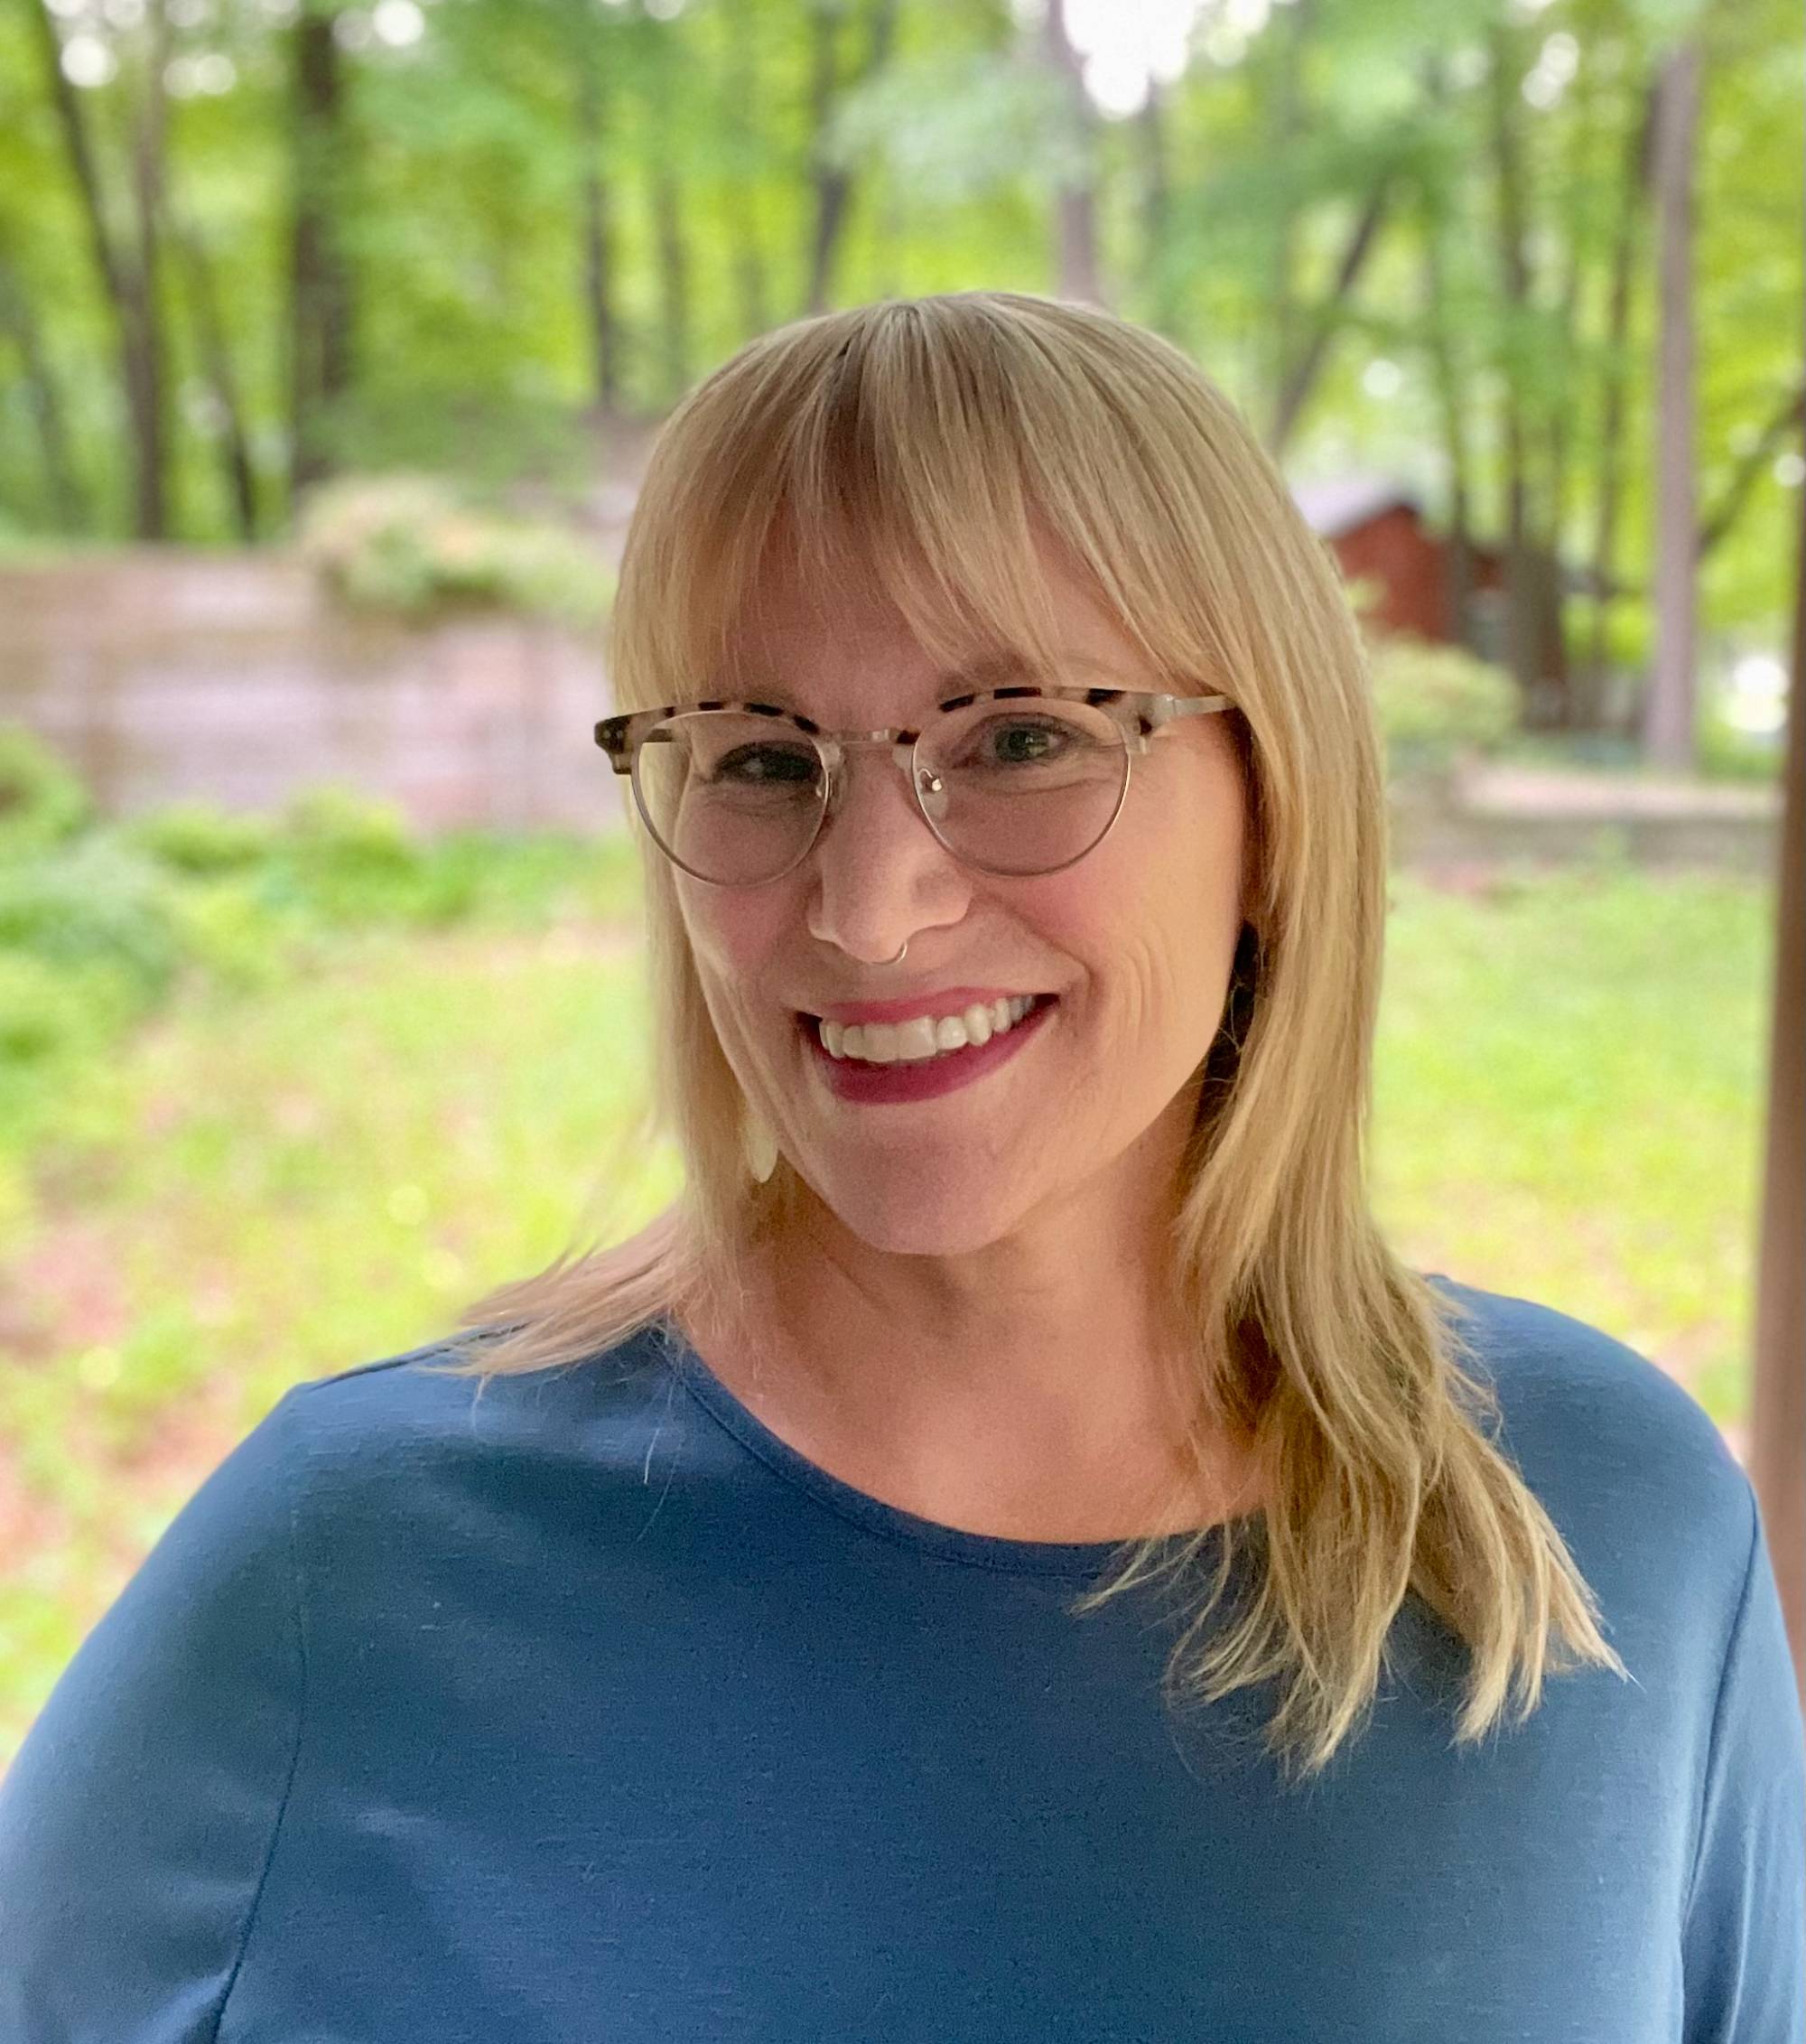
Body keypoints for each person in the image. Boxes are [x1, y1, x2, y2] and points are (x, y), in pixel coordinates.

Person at [0, 291, 1800, 2042]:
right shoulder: (347, 1580)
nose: (868, 909)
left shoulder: (1612, 1532)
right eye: (762, 758)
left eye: (1022, 738)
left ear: (1275, 805)